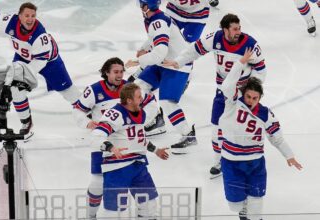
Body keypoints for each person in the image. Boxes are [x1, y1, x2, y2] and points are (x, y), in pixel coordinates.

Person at [163, 13, 267, 177]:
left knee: (241, 127)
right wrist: (178, 61)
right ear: (225, 30)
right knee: (216, 127)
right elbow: (194, 50)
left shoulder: (250, 44)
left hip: (242, 93)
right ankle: (219, 160)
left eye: (239, 28)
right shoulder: (215, 38)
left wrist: (252, 90)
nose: (238, 31)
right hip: (222, 91)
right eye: (234, 29)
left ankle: (246, 158)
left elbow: (261, 69)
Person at [0, 2, 80, 139]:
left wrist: (22, 76)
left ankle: (90, 110)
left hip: (49, 62)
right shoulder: (9, 22)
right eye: (26, 15)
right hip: (23, 56)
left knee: (68, 92)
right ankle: (20, 120)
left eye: (33, 16)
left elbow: (41, 61)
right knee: (11, 86)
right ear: (19, 16)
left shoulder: (39, 35)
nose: (30, 19)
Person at [72, 57, 168, 219]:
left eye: (122, 71)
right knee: (97, 184)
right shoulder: (94, 90)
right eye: (116, 72)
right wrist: (88, 123)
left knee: (146, 201)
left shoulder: (130, 88)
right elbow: (77, 111)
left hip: (128, 143)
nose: (120, 75)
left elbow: (151, 101)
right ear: (106, 73)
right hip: (104, 142)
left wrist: (142, 119)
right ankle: (91, 215)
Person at [217, 48, 302, 220]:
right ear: (244, 94)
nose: (251, 101)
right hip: (231, 161)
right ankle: (243, 211)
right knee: (235, 205)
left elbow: (276, 137)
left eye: (255, 98)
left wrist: (289, 155)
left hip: (255, 162)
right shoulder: (232, 103)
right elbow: (227, 85)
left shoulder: (266, 114)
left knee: (256, 205)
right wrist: (240, 63)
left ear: (260, 97)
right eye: (248, 97)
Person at [126, 0, 197, 154]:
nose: (139, 6)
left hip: (176, 65)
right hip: (163, 63)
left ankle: (187, 135)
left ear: (146, 6)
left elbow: (160, 53)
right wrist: (144, 48)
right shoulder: (154, 18)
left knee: (168, 102)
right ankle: (155, 120)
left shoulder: (157, 21)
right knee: (138, 87)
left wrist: (138, 61)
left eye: (141, 4)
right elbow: (155, 38)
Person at [91, 83, 168, 219]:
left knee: (149, 206)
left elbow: (138, 139)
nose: (142, 100)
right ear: (129, 100)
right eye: (139, 97)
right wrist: (111, 147)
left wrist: (156, 150)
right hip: (117, 168)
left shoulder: (140, 114)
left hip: (138, 166)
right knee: (114, 213)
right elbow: (96, 135)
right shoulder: (115, 114)